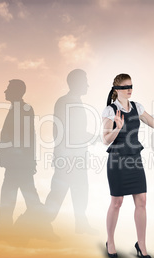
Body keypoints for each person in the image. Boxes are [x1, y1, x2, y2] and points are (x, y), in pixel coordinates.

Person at [102, 73, 154, 258]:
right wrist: (117, 127)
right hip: (117, 160)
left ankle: (141, 245)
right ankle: (110, 240)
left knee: (141, 202)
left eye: (131, 85)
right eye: (125, 87)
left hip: (135, 159)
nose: (129, 89)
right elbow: (105, 140)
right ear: (117, 90)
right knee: (117, 202)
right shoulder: (111, 110)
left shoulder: (137, 107)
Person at [0, 79, 43, 240]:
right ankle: (41, 228)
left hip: (19, 163)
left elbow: (21, 136)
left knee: (14, 196)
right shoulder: (18, 109)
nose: (5, 92)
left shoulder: (23, 109)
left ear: (16, 91)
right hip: (18, 162)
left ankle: (6, 231)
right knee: (23, 195)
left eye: (8, 89)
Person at [45, 69, 96, 235]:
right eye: (85, 81)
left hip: (78, 156)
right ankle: (42, 223)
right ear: (76, 83)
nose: (88, 85)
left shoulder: (75, 102)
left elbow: (78, 131)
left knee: (80, 190)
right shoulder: (65, 102)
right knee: (58, 192)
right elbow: (60, 130)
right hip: (68, 157)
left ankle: (81, 224)